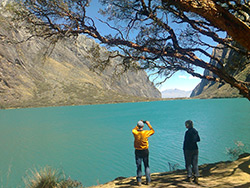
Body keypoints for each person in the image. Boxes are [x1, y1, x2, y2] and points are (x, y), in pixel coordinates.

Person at [132, 120, 155, 186]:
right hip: (145, 151)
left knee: (139, 166)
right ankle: (148, 181)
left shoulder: (135, 132)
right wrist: (148, 124)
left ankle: (139, 181)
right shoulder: (146, 132)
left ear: (138, 126)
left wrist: (139, 123)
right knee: (146, 166)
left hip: (137, 151)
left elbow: (134, 129)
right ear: (143, 126)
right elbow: (152, 131)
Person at [183, 120, 200, 184]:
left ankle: (189, 176)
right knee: (195, 163)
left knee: (188, 163)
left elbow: (187, 141)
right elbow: (198, 139)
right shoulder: (195, 131)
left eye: (186, 124)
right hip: (195, 149)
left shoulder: (188, 132)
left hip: (188, 149)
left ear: (188, 125)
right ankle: (196, 176)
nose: (185, 126)